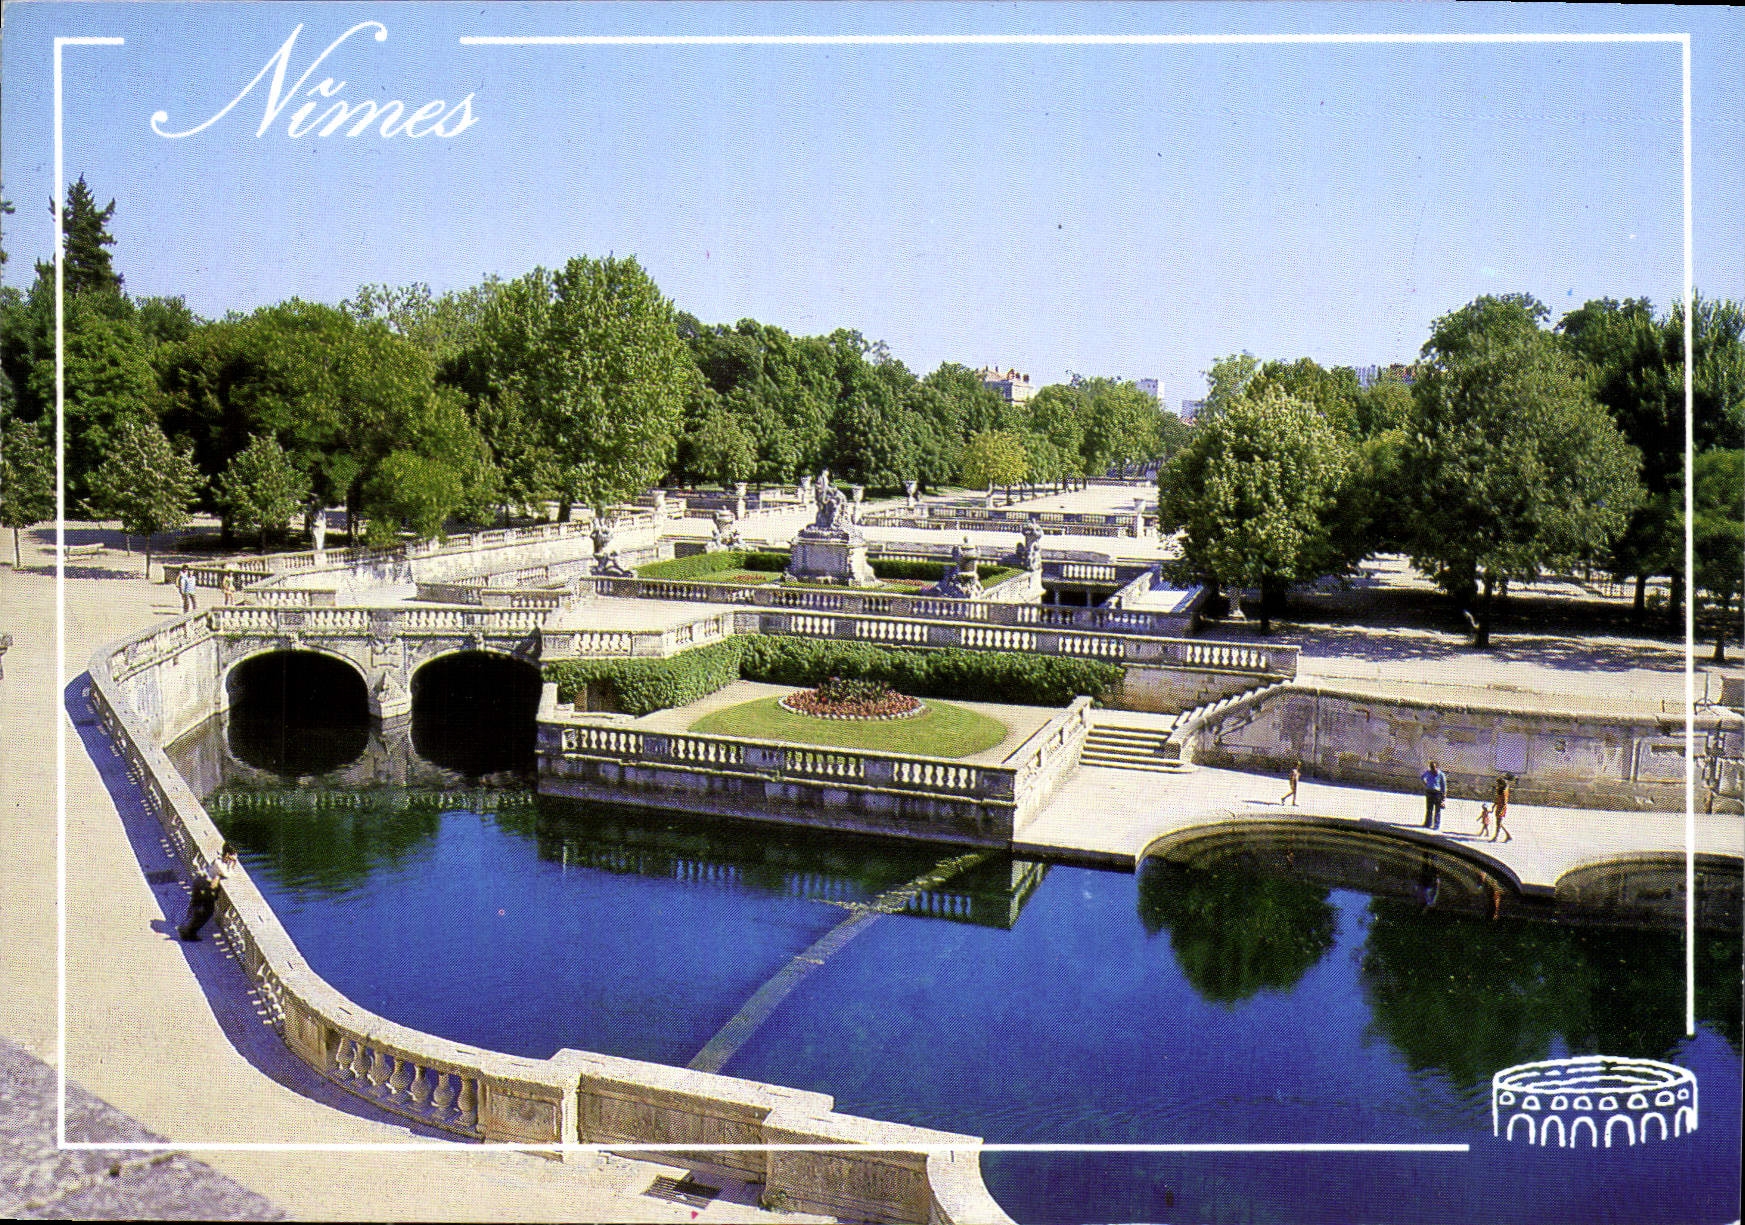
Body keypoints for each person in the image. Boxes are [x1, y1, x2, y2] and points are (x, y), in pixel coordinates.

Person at [177, 844, 238, 942]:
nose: (235, 858)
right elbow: (227, 874)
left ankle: (185, 928)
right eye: (234, 855)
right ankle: (189, 932)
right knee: (206, 911)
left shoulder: (220, 861)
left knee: (195, 908)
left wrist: (230, 864)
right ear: (227, 854)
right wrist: (232, 865)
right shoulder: (219, 863)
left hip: (201, 883)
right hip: (203, 885)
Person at [1420, 760, 1447, 830]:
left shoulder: (1441, 774)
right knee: (1429, 809)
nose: (1433, 769)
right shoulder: (1428, 772)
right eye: (1431, 767)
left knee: (1437, 810)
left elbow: (1444, 786)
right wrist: (1426, 784)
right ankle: (1428, 823)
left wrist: (1444, 797)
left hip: (1437, 793)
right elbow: (1422, 777)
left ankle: (1436, 825)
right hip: (1429, 792)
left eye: (1434, 767)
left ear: (1437, 767)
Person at [1492, 776, 1513, 843]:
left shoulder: (1504, 792)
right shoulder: (1500, 790)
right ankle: (1508, 835)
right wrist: (1493, 806)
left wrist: (1501, 810)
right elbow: (1497, 799)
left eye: (1498, 784)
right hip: (1499, 807)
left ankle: (1496, 837)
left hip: (1501, 808)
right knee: (1498, 823)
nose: (1497, 785)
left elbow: (1504, 802)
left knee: (1498, 823)